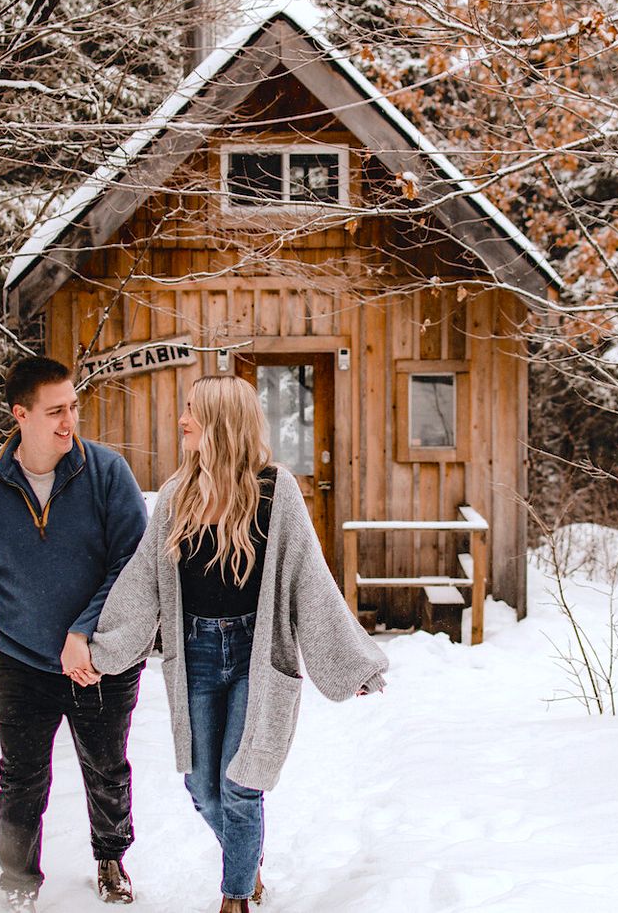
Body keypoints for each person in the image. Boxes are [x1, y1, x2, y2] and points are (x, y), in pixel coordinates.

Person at [86, 375, 388, 913]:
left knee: (241, 784)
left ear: (221, 422)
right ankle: (247, 863)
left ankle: (236, 896)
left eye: (193, 411)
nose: (182, 420)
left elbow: (308, 581)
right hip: (196, 654)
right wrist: (101, 648)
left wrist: (350, 663)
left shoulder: (277, 490)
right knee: (203, 788)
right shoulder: (178, 494)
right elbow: (143, 582)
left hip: (257, 653)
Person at [0, 356, 149, 913]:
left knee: (107, 770)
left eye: (74, 408)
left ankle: (111, 858)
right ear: (21, 415)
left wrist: (84, 631)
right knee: (19, 785)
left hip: (99, 662)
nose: (69, 422)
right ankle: (17, 884)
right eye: (56, 411)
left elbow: (132, 565)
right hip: (21, 663)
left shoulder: (106, 472)